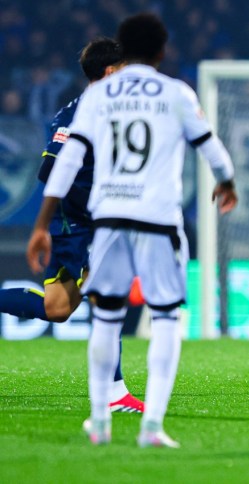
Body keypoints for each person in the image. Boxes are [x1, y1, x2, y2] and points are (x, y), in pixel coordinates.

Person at [26, 13, 238, 448]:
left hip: (108, 218)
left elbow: (65, 163)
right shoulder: (176, 92)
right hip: (158, 218)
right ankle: (152, 426)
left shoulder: (97, 98)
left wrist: (42, 223)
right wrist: (226, 180)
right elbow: (210, 146)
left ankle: (100, 421)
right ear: (161, 51)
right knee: (165, 318)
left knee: (105, 316)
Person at [0, 37, 144, 414]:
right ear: (110, 72)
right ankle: (114, 392)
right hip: (77, 222)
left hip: (89, 219)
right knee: (107, 294)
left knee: (57, 308)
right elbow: (50, 168)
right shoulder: (78, 114)